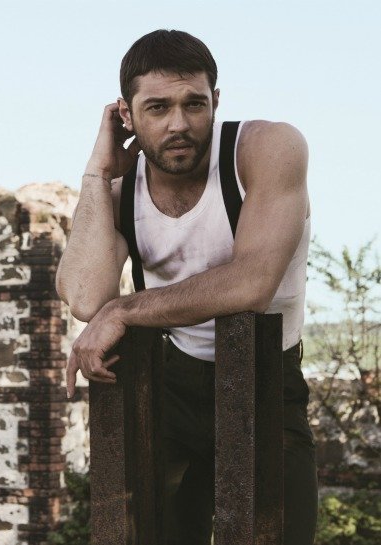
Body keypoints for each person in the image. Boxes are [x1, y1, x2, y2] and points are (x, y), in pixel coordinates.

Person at [55, 29, 317, 545]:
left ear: (215, 101)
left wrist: (123, 311)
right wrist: (96, 174)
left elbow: (253, 283)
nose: (179, 124)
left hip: (268, 379)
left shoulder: (265, 149)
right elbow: (85, 297)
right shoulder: (120, 190)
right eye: (157, 108)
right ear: (126, 116)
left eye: (194, 104)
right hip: (172, 385)